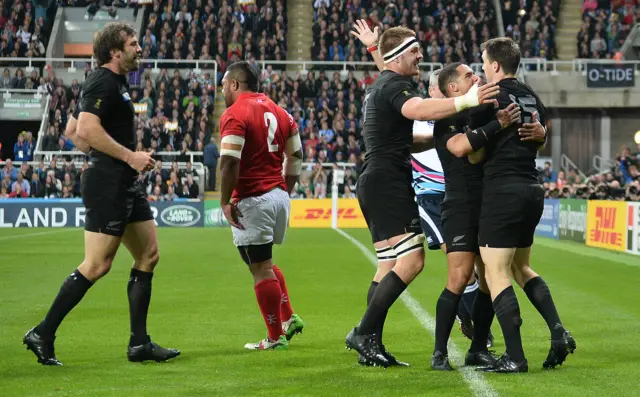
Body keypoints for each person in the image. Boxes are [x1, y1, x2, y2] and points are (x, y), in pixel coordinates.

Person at [23, 22, 180, 366]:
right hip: (109, 183)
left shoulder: (116, 84)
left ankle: (139, 344)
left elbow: (75, 131)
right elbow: (87, 128)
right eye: (134, 44)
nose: (140, 49)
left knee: (149, 254)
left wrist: (112, 156)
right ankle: (42, 333)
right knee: (97, 265)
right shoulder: (102, 80)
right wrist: (129, 156)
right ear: (115, 52)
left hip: (123, 181)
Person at [344, 21, 499, 368]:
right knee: (412, 260)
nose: (421, 55)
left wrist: (374, 49)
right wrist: (468, 99)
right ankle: (363, 332)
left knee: (387, 264)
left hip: (375, 179)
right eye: (414, 50)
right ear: (397, 56)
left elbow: (410, 131)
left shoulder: (384, 81)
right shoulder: (396, 85)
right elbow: (417, 110)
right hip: (388, 181)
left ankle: (371, 343)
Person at [450, 37, 575, 373]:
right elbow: (539, 136)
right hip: (532, 189)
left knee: (496, 272)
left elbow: (474, 155)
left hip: (502, 191)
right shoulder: (532, 96)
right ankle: (559, 331)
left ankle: (515, 356)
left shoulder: (489, 98)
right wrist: (541, 137)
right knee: (521, 269)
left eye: (483, 62)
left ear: (494, 65)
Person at [218, 61, 305, 351]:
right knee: (261, 262)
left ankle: (274, 337)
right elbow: (297, 155)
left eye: (223, 86)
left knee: (260, 268)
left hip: (253, 198)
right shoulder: (282, 113)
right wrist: (285, 189)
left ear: (234, 84)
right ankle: (289, 317)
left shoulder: (235, 114)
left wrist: (223, 200)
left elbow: (229, 161)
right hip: (278, 195)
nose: (222, 92)